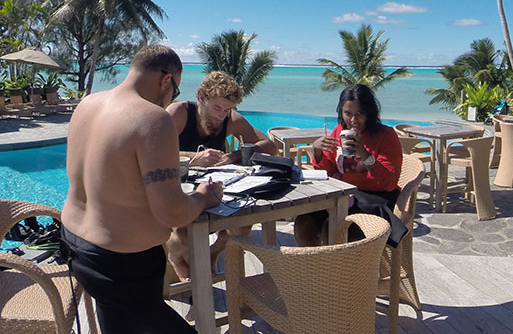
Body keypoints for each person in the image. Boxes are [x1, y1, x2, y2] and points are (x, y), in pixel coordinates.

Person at [60, 45, 224, 334]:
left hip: (75, 245)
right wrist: (202, 197)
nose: (172, 97)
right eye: (175, 89)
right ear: (165, 79)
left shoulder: (87, 105)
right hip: (122, 264)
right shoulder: (152, 119)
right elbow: (173, 213)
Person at [165, 70, 276, 280]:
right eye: (217, 108)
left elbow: (270, 147)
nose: (221, 115)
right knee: (185, 236)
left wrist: (234, 155)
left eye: (227, 110)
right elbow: (153, 149)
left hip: (216, 190)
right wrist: (194, 157)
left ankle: (213, 252)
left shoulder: (231, 120)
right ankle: (175, 256)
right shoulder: (179, 113)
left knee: (243, 226)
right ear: (201, 97)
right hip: (179, 190)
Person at [294, 83, 406, 247]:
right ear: (341, 112)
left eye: (360, 113)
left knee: (332, 226)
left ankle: (340, 270)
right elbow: (329, 172)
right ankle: (316, 268)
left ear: (370, 112)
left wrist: (364, 154)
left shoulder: (386, 135)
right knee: (303, 223)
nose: (353, 120)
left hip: (374, 198)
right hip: (344, 196)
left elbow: (389, 182)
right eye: (348, 114)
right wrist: (317, 152)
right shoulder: (339, 131)